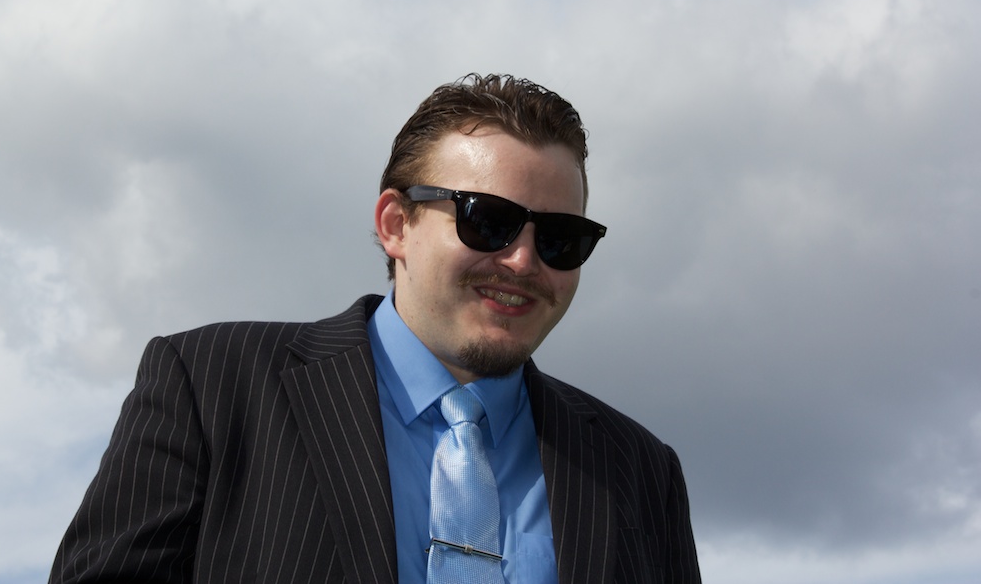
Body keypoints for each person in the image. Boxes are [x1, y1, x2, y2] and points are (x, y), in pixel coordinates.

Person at [49, 73, 701, 583]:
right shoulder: (212, 385)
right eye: (487, 221)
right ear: (395, 224)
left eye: (561, 238)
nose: (524, 261)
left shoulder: (641, 471)